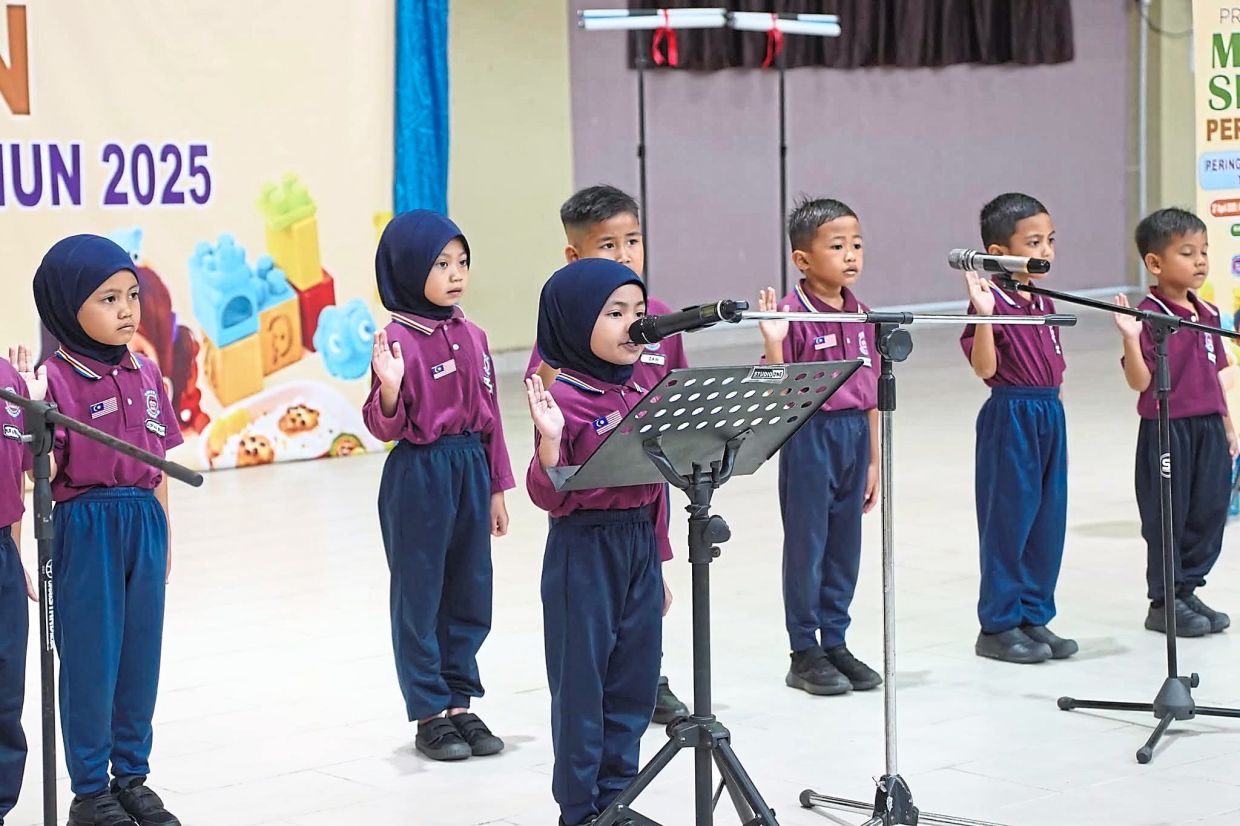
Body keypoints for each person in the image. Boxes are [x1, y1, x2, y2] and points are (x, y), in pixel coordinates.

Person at [33, 235, 183, 826]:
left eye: (131, 295)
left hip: (142, 520)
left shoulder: (146, 371)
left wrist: (165, 532)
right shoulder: (56, 380)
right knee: (91, 661)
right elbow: (40, 476)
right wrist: (34, 416)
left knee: (140, 657)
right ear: (69, 307)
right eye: (107, 299)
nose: (126, 310)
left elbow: (162, 460)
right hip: (85, 526)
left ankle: (132, 777)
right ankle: (90, 791)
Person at [525, 184, 688, 723]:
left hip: (647, 496)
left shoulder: (659, 319)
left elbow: (681, 403)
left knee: (646, 602)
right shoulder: (569, 330)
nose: (625, 256)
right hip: (593, 507)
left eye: (633, 241)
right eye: (608, 245)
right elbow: (553, 430)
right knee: (594, 638)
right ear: (573, 258)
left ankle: (650, 674)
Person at [363, 210, 514, 761]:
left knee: (470, 589)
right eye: (441, 263)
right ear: (407, 269)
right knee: (420, 595)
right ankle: (429, 711)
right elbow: (385, 425)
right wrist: (390, 387)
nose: (456, 273)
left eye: (462, 262)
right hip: (419, 472)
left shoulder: (474, 335)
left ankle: (460, 701)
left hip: (470, 469)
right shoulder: (396, 339)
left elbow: (492, 415)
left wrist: (497, 487)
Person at [525, 258, 667, 826]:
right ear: (574, 321)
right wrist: (552, 445)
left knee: (634, 684)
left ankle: (616, 800)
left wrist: (658, 566)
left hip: (637, 547)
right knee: (584, 688)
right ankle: (580, 811)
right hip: (584, 550)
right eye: (614, 313)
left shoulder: (643, 387)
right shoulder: (563, 398)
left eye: (638, 311)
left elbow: (655, 485)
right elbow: (547, 495)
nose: (633, 324)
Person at [757, 197, 881, 695]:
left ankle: (836, 640)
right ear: (803, 260)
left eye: (856, 244)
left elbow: (872, 391)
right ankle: (803, 650)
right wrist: (772, 343)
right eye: (837, 246)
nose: (851, 254)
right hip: (811, 436)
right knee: (808, 545)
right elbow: (774, 396)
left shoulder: (864, 314)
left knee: (844, 546)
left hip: (855, 437)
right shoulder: (788, 315)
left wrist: (873, 460)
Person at [961, 193, 1077, 663]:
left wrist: (1060, 418)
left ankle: (1034, 616)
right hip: (1010, 416)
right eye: (1033, 242)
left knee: (1047, 522)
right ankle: (998, 625)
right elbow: (984, 368)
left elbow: (1056, 368)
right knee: (1008, 523)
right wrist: (985, 317)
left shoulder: (1044, 299)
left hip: (1050, 416)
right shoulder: (992, 299)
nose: (1045, 250)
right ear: (998, 250)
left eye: (1050, 240)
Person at [1113, 207, 1237, 636]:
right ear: (1155, 263)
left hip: (1207, 428)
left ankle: (1186, 589)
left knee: (1208, 512)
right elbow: (1140, 382)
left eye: (1204, 251)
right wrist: (1131, 339)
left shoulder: (1207, 313)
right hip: (1168, 430)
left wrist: (1226, 424)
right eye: (1187, 252)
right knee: (1169, 516)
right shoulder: (1149, 316)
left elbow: (1215, 375)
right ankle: (1163, 601)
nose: (1200, 261)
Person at [0, 348, 41, 826]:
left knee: (6, 693)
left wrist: (14, 556)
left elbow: (16, 477)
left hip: (3, 554)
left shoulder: (10, 379)